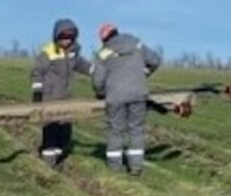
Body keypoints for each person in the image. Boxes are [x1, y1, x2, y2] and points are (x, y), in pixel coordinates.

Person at [91, 23, 162, 175]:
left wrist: (101, 92)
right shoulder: (136, 44)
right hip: (138, 93)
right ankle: (136, 167)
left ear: (104, 40)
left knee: (115, 130)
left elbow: (98, 80)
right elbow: (155, 60)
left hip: (115, 97)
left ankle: (115, 167)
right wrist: (145, 73)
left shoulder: (103, 53)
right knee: (136, 129)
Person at [29, 18, 91, 169]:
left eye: (70, 38)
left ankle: (59, 157)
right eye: (63, 38)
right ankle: (48, 163)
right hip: (50, 98)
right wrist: (37, 92)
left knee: (64, 130)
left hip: (66, 98)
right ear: (57, 36)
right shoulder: (48, 53)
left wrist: (99, 72)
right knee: (50, 129)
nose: (67, 41)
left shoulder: (73, 53)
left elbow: (83, 66)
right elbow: (37, 72)